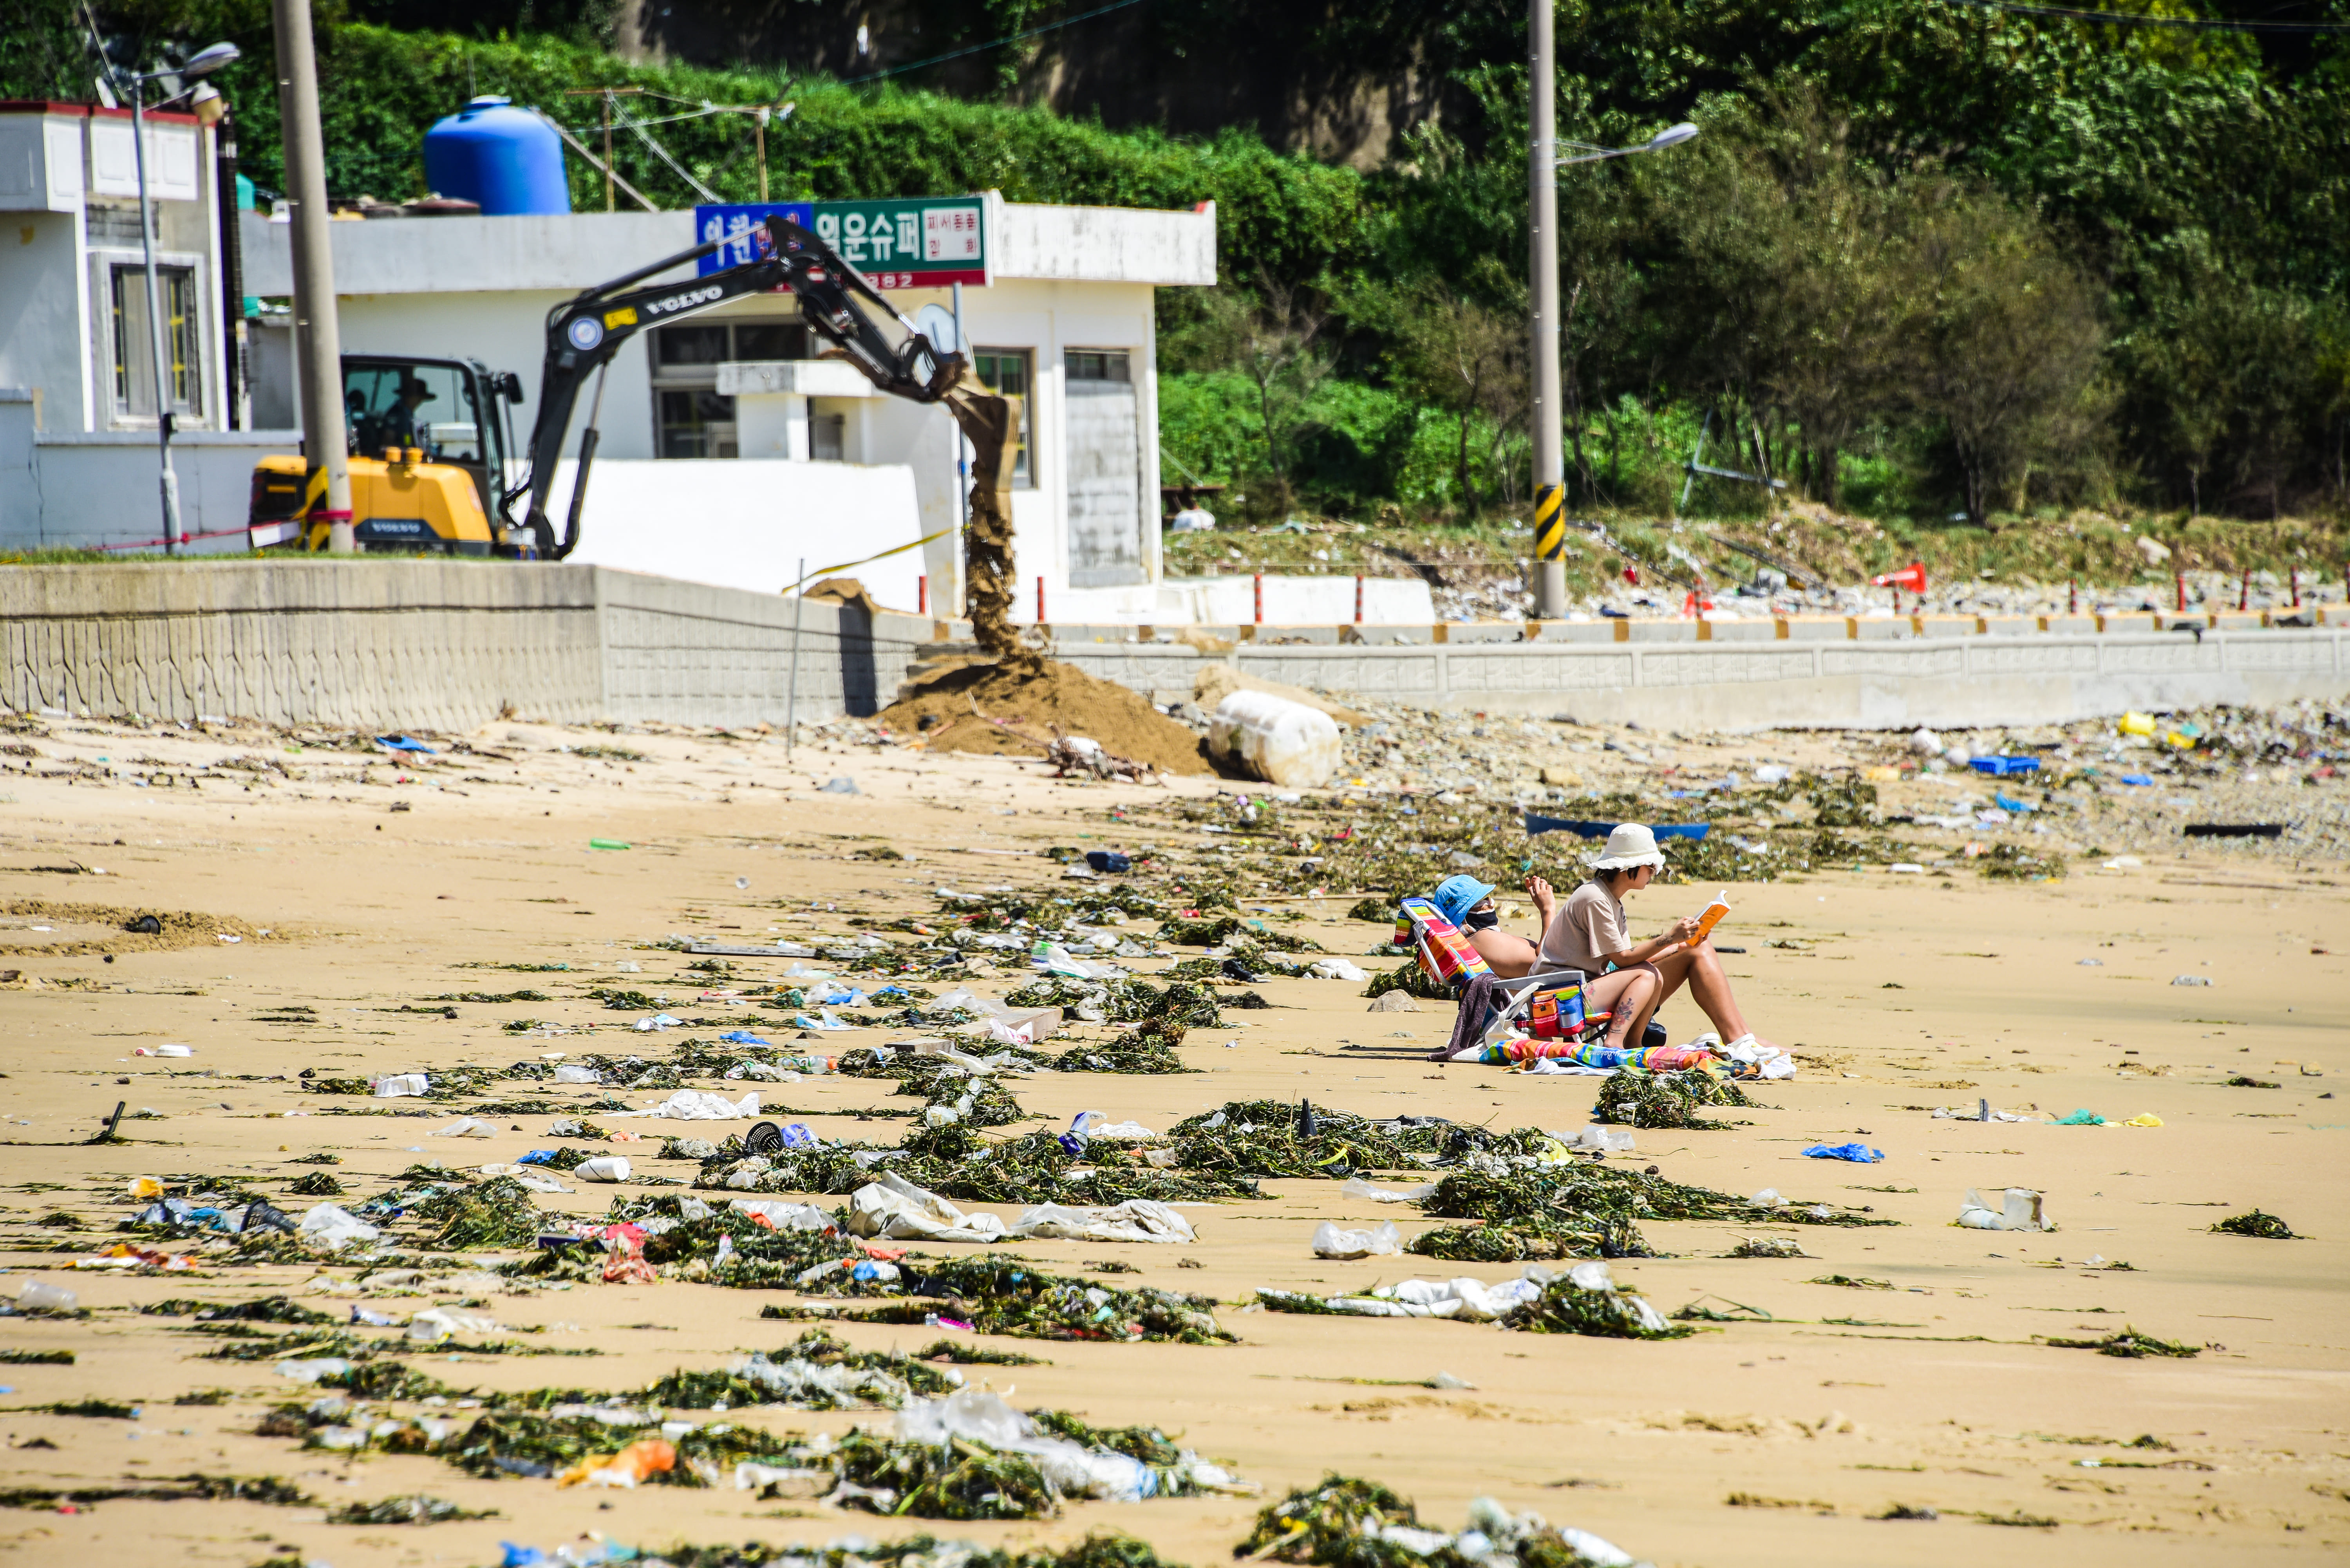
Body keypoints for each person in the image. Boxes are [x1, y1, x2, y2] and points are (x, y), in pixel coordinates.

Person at [1538, 822, 1773, 1054]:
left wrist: (1682, 944)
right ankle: (1615, 1043)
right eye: (1650, 866)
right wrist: (1670, 938)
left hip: (1581, 988)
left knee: (1655, 974)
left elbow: (1624, 958)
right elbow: (1623, 960)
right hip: (1557, 998)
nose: (1654, 872)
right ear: (1629, 866)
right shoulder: (1595, 898)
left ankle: (1633, 1042)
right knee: (1646, 973)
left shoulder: (1609, 899)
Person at [1426, 872, 1663, 1051]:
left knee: (1657, 964)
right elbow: (1541, 962)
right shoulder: (1480, 939)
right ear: (1463, 915)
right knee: (1649, 970)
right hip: (1557, 1000)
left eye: (1489, 899)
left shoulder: (1481, 938)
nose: (1489, 905)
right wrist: (1548, 910)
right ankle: (1625, 1042)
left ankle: (1634, 1037)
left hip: (1564, 991)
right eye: (1479, 904)